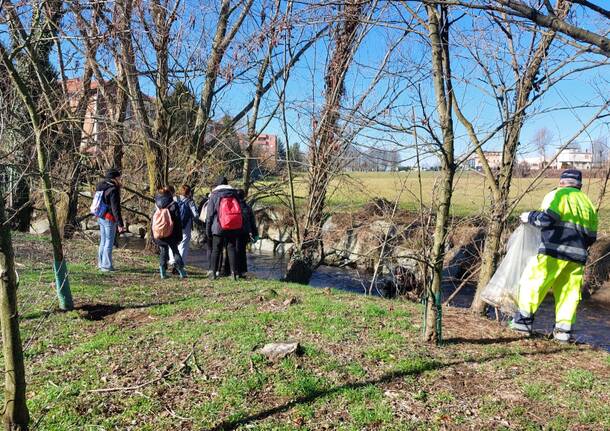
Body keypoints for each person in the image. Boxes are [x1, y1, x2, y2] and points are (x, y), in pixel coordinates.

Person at [511, 169, 598, 342]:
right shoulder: (588, 203)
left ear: (561, 182)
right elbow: (592, 236)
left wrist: (529, 216)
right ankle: (562, 333)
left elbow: (546, 220)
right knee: (569, 292)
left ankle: (522, 324)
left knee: (534, 282)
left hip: (553, 250)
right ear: (580, 185)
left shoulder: (559, 195)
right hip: (577, 257)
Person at [205, 176, 242, 280]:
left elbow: (209, 215)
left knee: (216, 249)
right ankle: (234, 273)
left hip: (218, 226)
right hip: (233, 225)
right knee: (231, 248)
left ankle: (212, 272)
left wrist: (208, 230)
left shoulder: (214, 195)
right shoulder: (234, 194)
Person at [94, 168, 126, 272]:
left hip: (100, 216)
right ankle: (106, 266)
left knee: (103, 241)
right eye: (119, 177)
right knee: (109, 242)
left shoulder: (100, 186)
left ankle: (101, 264)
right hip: (109, 218)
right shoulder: (113, 190)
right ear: (115, 178)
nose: (120, 179)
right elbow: (115, 208)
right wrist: (120, 224)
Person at [152, 186, 187, 279]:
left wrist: (153, 235)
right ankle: (182, 272)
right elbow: (178, 222)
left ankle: (162, 272)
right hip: (171, 233)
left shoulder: (156, 205)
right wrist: (179, 237)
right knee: (175, 251)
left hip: (159, 232)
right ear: (170, 194)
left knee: (163, 251)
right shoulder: (174, 204)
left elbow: (153, 221)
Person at [169, 185, 199, 271]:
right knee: (183, 244)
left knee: (172, 243)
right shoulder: (190, 201)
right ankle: (180, 264)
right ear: (189, 192)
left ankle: (172, 261)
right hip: (186, 226)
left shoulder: (174, 199)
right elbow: (196, 215)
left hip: (174, 225)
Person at [235, 189, 258, 277]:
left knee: (235, 251)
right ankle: (243, 270)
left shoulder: (233, 206)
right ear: (244, 196)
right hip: (245, 232)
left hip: (234, 231)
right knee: (242, 252)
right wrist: (255, 233)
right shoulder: (247, 207)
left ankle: (235, 270)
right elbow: (252, 222)